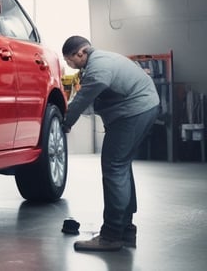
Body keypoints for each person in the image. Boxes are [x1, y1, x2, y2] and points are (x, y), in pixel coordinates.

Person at [61, 35, 160, 252]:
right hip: (143, 108)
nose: (70, 65)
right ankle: (125, 230)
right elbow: (95, 98)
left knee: (114, 168)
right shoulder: (104, 60)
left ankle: (111, 235)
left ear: (81, 53)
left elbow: (89, 93)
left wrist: (67, 121)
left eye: (70, 60)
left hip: (133, 112)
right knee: (121, 167)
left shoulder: (98, 68)